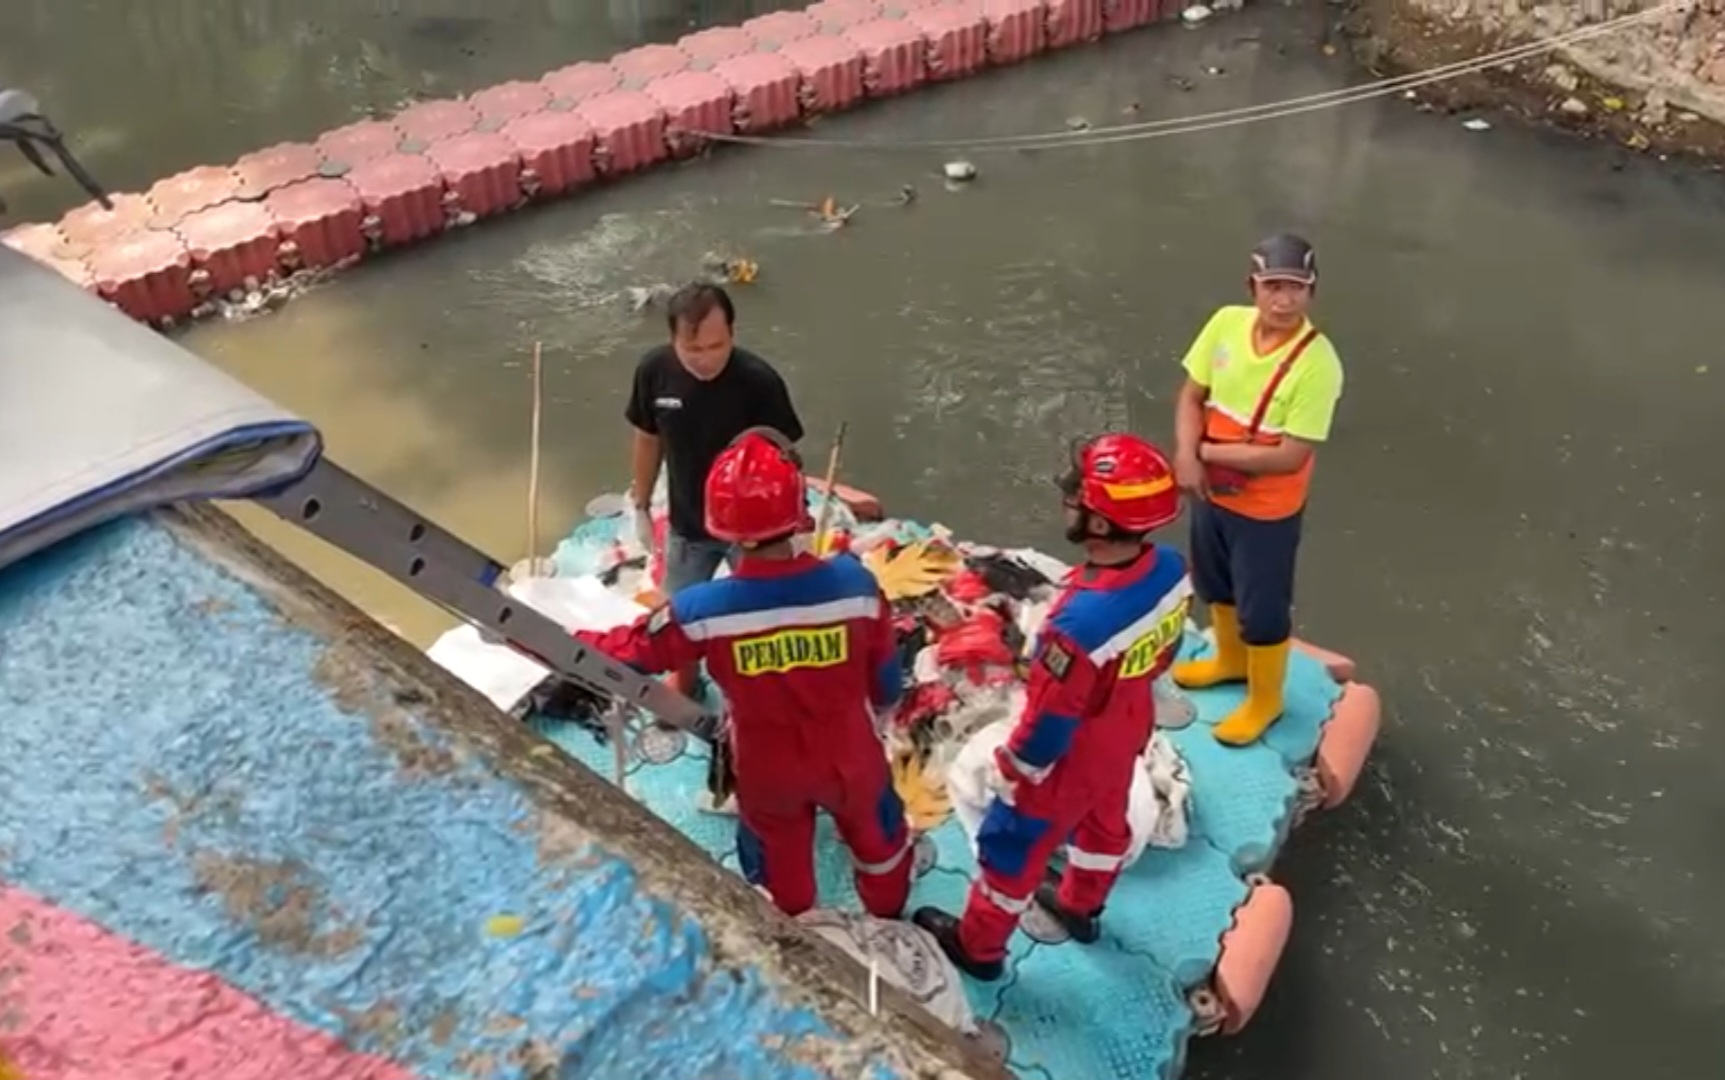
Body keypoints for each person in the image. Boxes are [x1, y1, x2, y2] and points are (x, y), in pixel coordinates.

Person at [574, 429, 912, 919]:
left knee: (783, 877)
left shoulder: (701, 610)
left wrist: (525, 631)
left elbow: (627, 653)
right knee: (881, 849)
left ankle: (804, 938)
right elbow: (884, 676)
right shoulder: (854, 586)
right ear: (800, 514)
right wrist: (881, 711)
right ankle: (890, 926)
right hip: (850, 751)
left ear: (723, 529)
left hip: (766, 763)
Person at [913, 434, 1192, 981]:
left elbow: (1051, 720)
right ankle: (1082, 907)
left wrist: (1013, 770)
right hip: (1129, 723)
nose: (1067, 501)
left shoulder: (1075, 626)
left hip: (1070, 753)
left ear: (1102, 523)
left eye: (1077, 497)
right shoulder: (1171, 570)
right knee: (1104, 826)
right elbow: (1164, 653)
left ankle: (979, 948)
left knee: (1010, 847)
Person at [1169, 233, 1345, 747]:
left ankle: (1266, 698)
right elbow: (1191, 395)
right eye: (1273, 286)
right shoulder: (1225, 323)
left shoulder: (1318, 363)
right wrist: (1184, 453)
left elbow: (1289, 455)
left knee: (1263, 606)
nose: (1284, 300)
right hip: (1212, 492)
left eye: (1297, 288)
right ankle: (1228, 661)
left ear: (1312, 293)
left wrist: (1202, 454)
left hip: (1266, 508)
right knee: (1213, 580)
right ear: (1253, 287)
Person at [625, 283, 804, 697]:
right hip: (690, 524)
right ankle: (686, 684)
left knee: (759, 617)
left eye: (715, 346)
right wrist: (640, 499)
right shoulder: (654, 371)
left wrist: (792, 523)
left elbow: (786, 456)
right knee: (679, 615)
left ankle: (754, 689)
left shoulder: (758, 381)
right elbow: (647, 437)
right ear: (672, 340)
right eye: (693, 350)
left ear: (733, 334)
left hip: (755, 535)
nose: (705, 359)